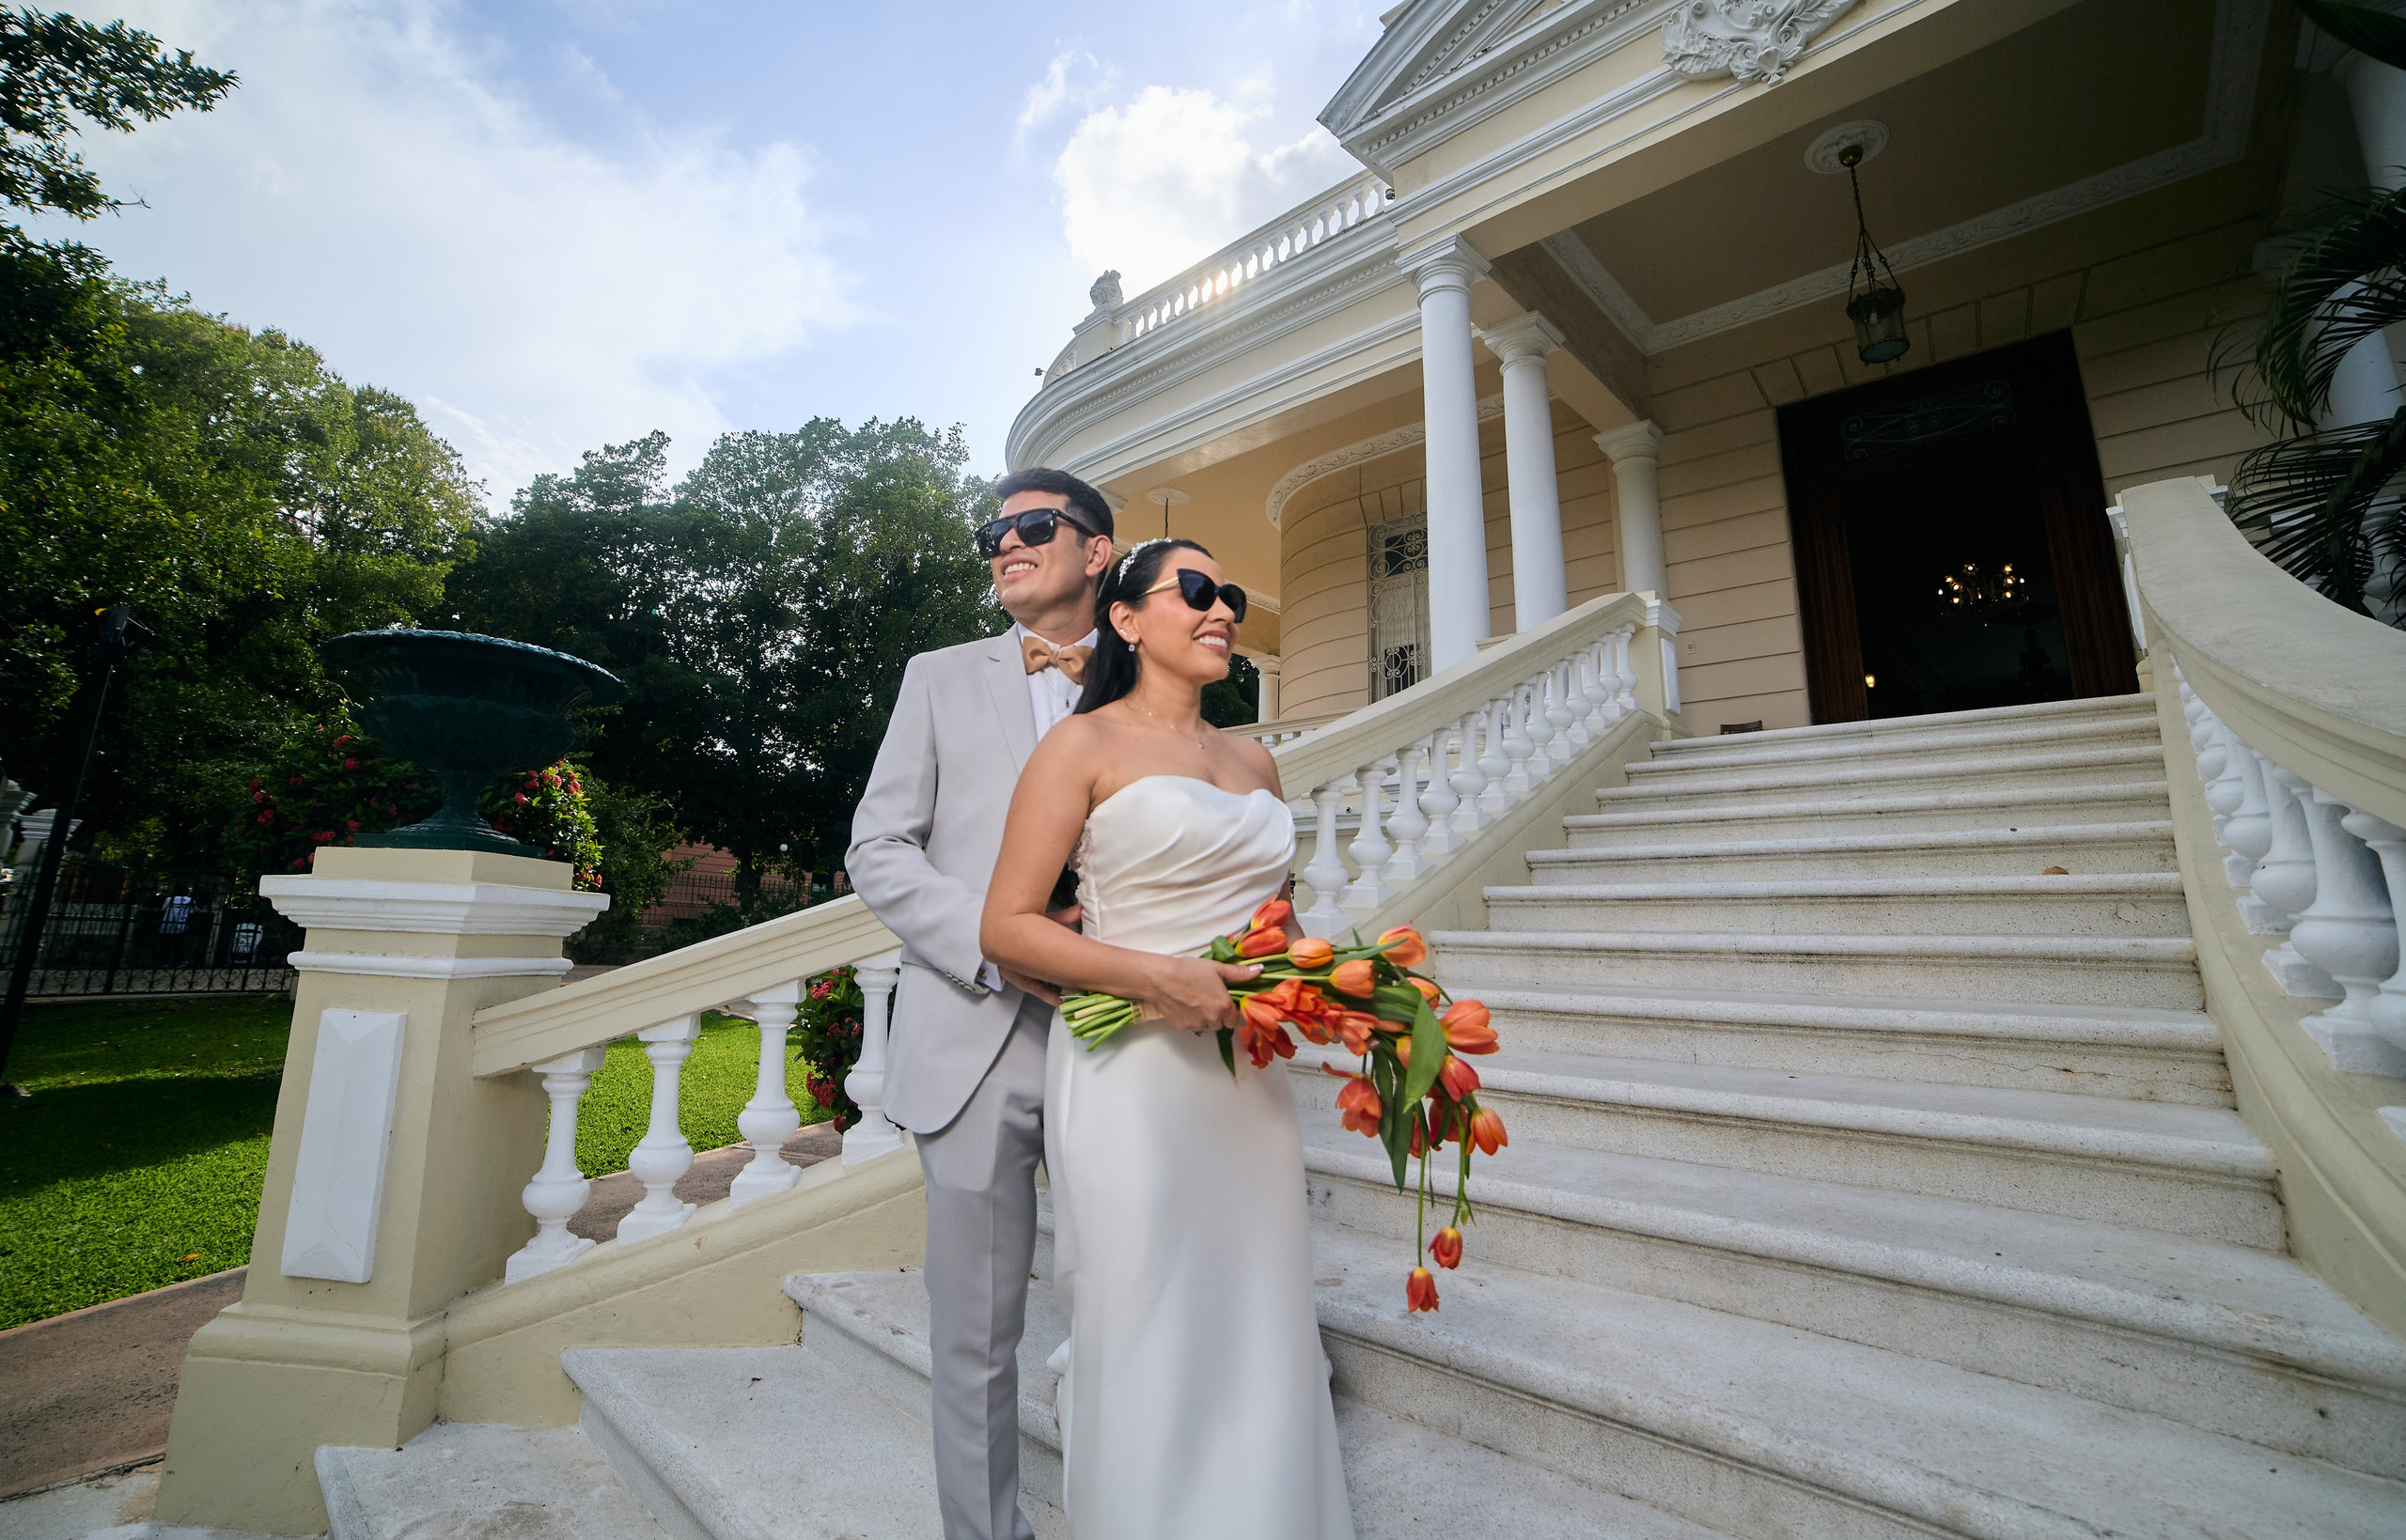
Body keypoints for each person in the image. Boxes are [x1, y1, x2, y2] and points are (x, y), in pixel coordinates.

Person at [979, 537, 1355, 1539]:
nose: (1221, 607)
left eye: (1226, 593)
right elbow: (1007, 924)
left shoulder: (1254, 757)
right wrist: (1161, 978)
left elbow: (1279, 920)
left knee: (1257, 1310)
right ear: (1127, 618)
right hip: (1131, 1075)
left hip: (1247, 1082)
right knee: (1148, 1309)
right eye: (1194, 590)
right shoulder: (1082, 745)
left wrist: (1341, 989)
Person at [846, 466, 1116, 1540]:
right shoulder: (937, 675)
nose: (1005, 544)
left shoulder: (1154, 680)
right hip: (973, 1032)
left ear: (1096, 551)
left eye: (1032, 527)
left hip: (1123, 1037)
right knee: (973, 1336)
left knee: (1135, 1310)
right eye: (991, 533)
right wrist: (1000, 948)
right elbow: (877, 845)